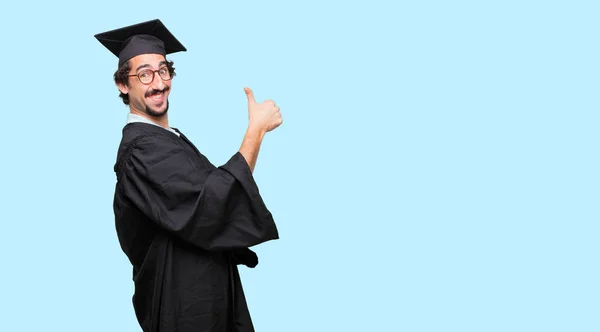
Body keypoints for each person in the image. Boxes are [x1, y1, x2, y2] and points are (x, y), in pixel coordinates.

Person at [95, 19, 282, 332]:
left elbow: (215, 200)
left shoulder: (169, 139)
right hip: (183, 305)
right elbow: (214, 203)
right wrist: (256, 130)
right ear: (123, 84)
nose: (158, 83)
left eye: (163, 70)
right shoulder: (142, 150)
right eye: (143, 74)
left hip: (205, 294)